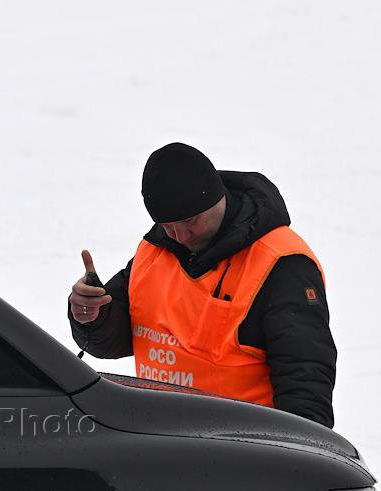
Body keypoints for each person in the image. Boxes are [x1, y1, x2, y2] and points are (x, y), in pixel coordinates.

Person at [68, 142, 337, 427]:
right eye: (167, 224)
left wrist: (301, 447)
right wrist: (92, 316)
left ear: (216, 199)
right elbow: (115, 339)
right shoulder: (156, 250)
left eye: (189, 220)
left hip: (243, 445)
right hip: (159, 438)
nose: (180, 235)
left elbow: (305, 376)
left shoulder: (281, 263)